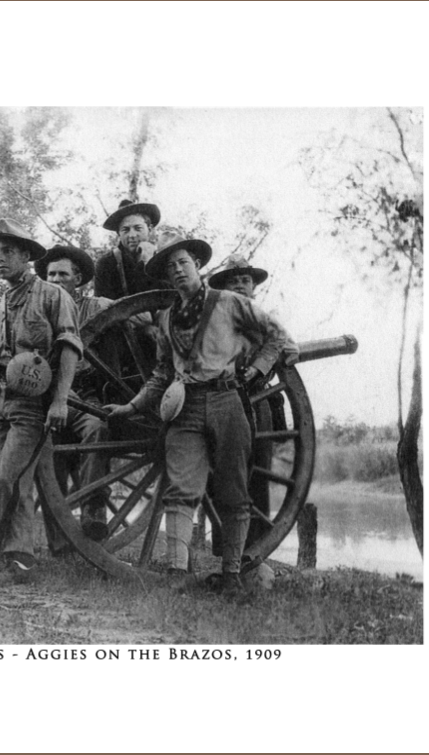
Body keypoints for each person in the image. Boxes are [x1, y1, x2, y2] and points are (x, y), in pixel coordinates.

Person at [104, 234, 293, 600]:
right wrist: (133, 406)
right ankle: (177, 572)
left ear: (197, 266)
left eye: (183, 263)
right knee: (180, 491)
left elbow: (277, 335)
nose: (177, 272)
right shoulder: (168, 318)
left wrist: (257, 370)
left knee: (234, 491)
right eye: (170, 268)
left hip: (227, 402)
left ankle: (232, 575)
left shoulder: (230, 302)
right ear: (165, 278)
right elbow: (161, 372)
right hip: (184, 408)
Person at [0, 219, 82, 582]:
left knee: (4, 480)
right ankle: (18, 559)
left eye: (7, 252)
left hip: (33, 407)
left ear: (26, 256)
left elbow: (69, 349)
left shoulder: (54, 297)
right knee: (16, 483)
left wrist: (60, 401)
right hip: (1, 406)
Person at [208, 255, 298, 545]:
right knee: (224, 474)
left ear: (253, 287)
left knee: (258, 473)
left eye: (245, 280)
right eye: (233, 281)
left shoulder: (262, 318)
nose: (240, 286)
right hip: (222, 399)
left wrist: (259, 367)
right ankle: (227, 549)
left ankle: (256, 548)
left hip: (257, 399)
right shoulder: (215, 315)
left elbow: (282, 341)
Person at [34, 245, 114, 543]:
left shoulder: (96, 306)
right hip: (46, 397)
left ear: (77, 278)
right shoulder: (38, 311)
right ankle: (59, 542)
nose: (55, 279)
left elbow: (134, 313)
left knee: (97, 429)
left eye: (62, 274)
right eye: (51, 274)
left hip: (84, 396)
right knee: (50, 461)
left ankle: (93, 509)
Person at [93, 199, 170, 300]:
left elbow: (171, 296)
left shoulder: (164, 259)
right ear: (118, 233)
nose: (132, 235)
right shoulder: (106, 263)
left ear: (150, 229)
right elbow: (102, 306)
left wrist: (147, 262)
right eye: (125, 230)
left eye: (138, 228)